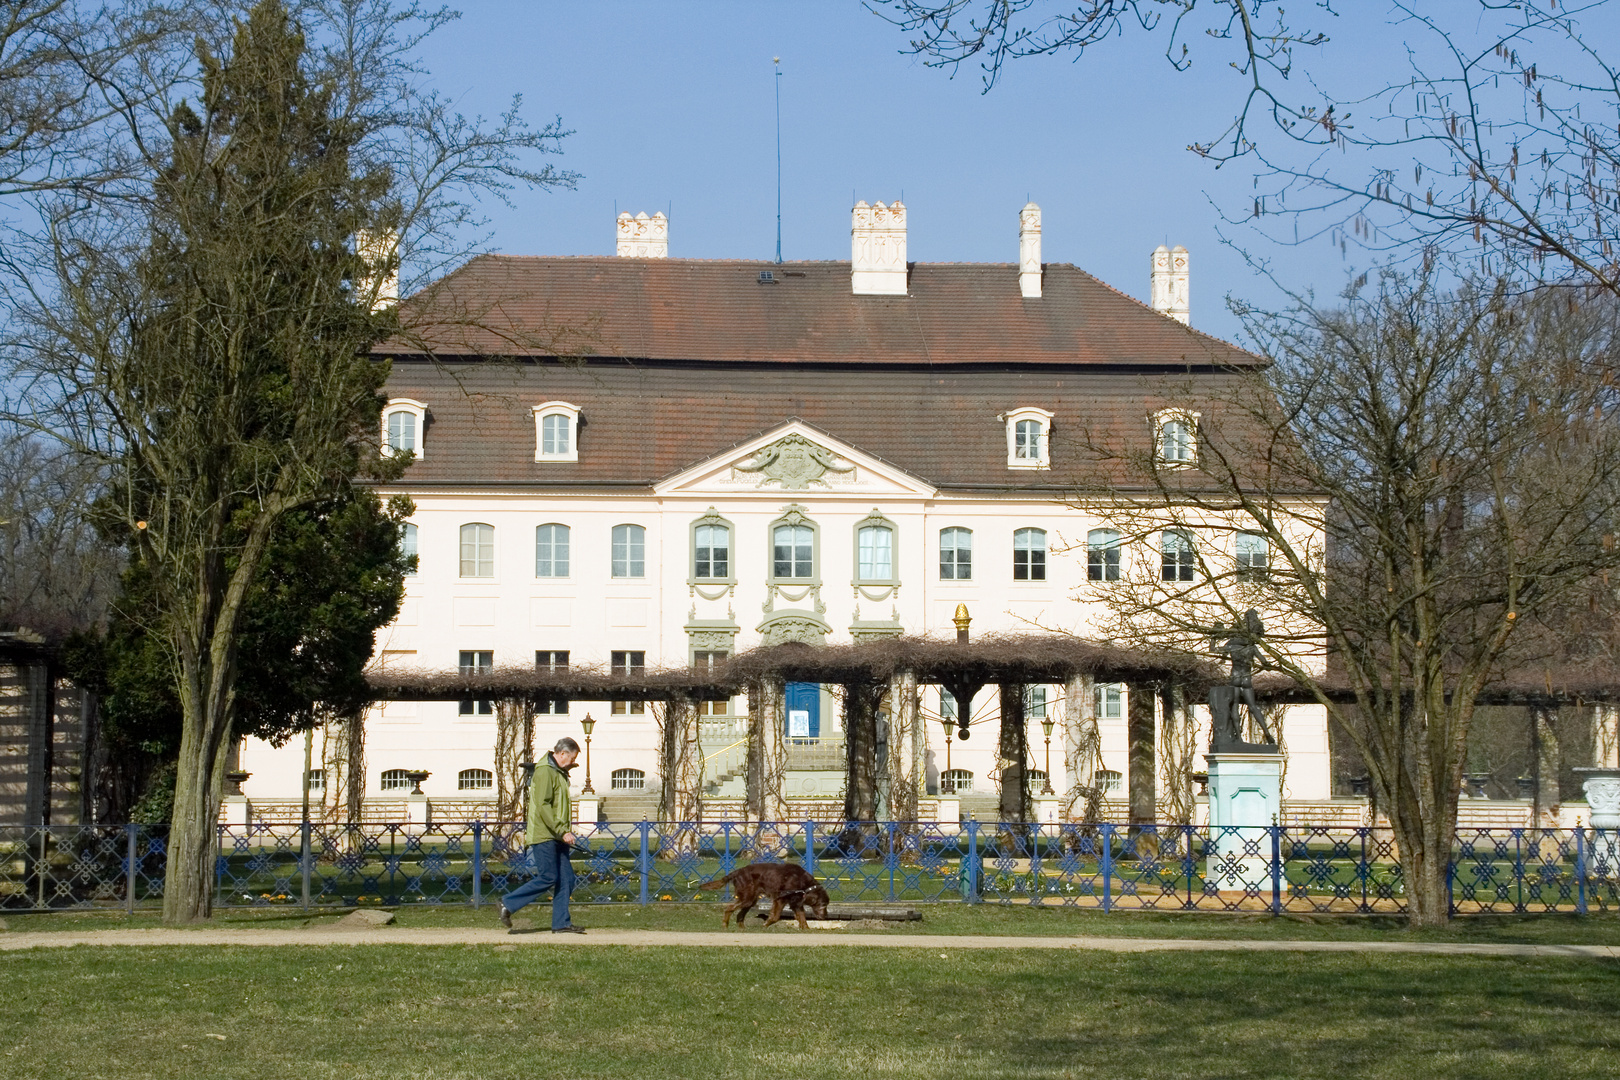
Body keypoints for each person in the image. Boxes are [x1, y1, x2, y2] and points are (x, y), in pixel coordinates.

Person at [499, 738, 584, 933]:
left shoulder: (558, 772)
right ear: (562, 753)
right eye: (571, 758)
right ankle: (507, 904)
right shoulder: (545, 771)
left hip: (556, 835)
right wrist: (562, 830)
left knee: (567, 879)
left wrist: (562, 832)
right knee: (549, 877)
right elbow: (544, 805)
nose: (572, 762)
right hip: (545, 835)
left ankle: (561, 924)